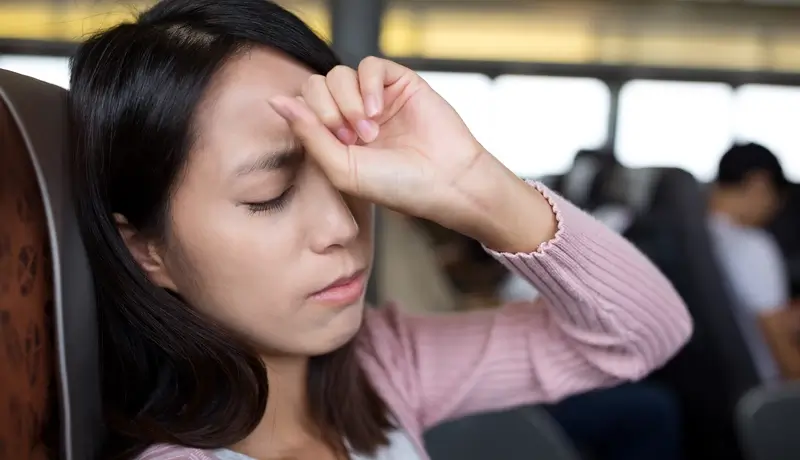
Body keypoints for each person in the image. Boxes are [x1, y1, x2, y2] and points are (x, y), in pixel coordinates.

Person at [68, 1, 692, 459]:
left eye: (347, 177)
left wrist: (475, 184)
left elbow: (646, 334)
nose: (342, 225)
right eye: (271, 195)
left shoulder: (384, 368)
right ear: (147, 251)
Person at [707, 142, 790, 380]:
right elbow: (781, 349)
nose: (774, 210)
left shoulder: (691, 239)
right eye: (777, 199)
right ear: (758, 185)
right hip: (765, 397)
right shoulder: (752, 247)